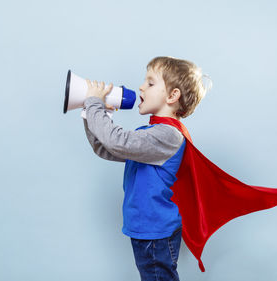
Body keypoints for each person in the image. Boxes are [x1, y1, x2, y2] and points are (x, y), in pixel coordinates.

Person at [82, 56, 210, 281]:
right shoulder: (151, 132)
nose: (141, 86)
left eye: (150, 83)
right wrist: (93, 112)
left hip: (155, 232)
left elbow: (117, 142)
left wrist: (95, 105)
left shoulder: (168, 135)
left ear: (172, 95)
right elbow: (104, 148)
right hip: (146, 229)